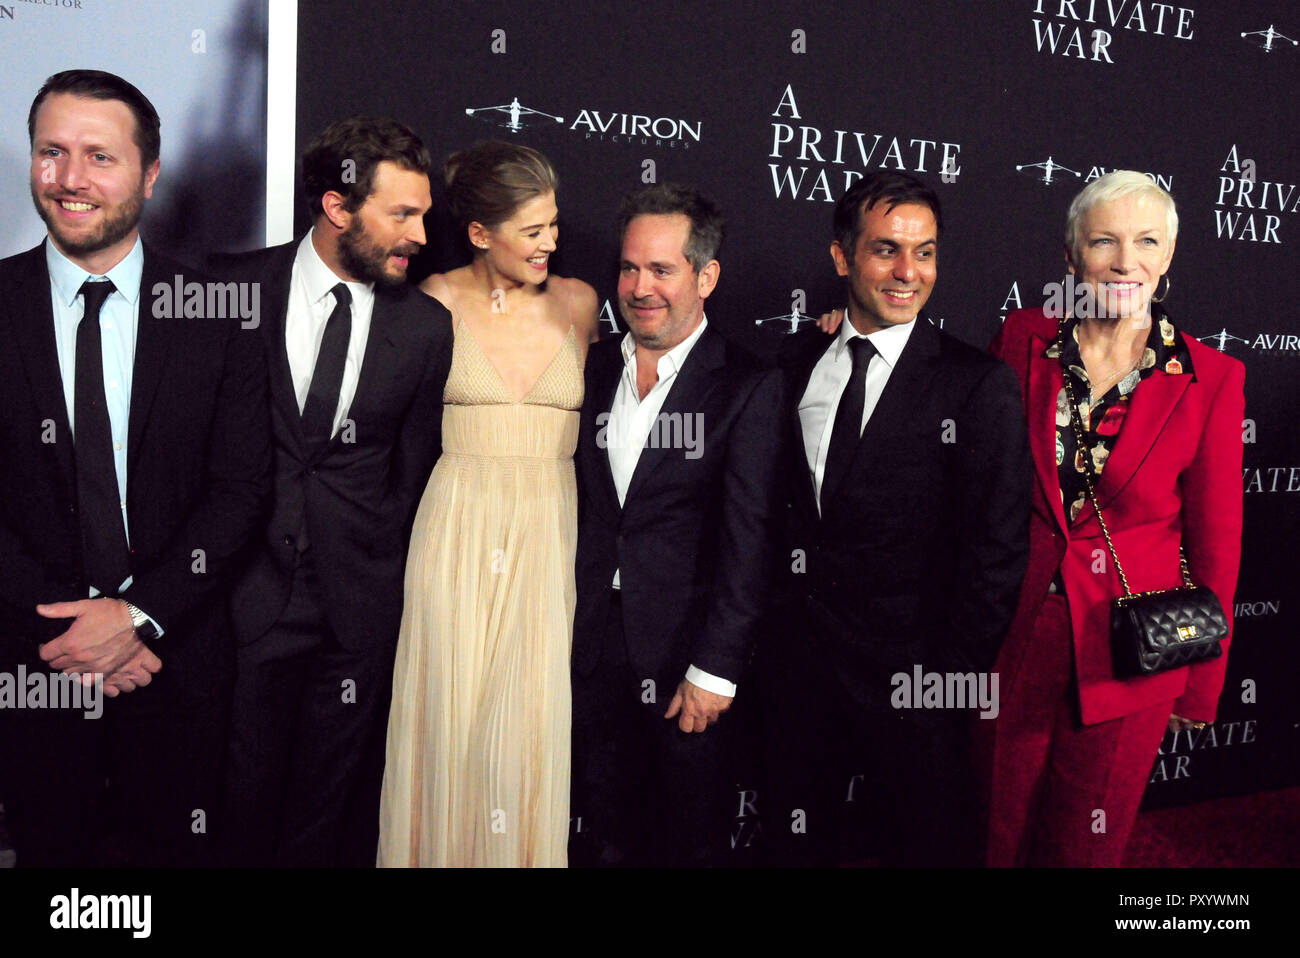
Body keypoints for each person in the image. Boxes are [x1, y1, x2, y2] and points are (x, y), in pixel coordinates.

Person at [0, 69, 270, 866]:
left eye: (99, 157)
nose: (70, 180)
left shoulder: (219, 314)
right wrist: (75, 629)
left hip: (175, 663)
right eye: (51, 153)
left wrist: (134, 617)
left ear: (151, 174)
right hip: (33, 665)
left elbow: (241, 491)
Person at [759, 171, 1031, 867]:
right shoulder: (794, 363)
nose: (909, 272)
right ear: (842, 256)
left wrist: (946, 686)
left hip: (914, 688)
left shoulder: (976, 384)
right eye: (886, 250)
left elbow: (996, 552)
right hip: (798, 678)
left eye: (926, 252)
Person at [979, 170, 1245, 867]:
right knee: (990, 827)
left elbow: (1216, 543)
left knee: (1083, 844)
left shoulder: (1210, 377)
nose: (1126, 260)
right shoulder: (1022, 337)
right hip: (1017, 630)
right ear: (1073, 259)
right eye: (1104, 241)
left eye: (1146, 241)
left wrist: (1203, 682)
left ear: (1168, 258)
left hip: (1134, 645)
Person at [216, 116, 453, 867]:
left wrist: (376, 578)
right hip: (238, 599)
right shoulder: (228, 290)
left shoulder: (426, 328)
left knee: (327, 815)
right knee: (232, 803)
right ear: (338, 206)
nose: (418, 233)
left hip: (355, 614)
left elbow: (411, 473)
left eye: (424, 214)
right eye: (402, 214)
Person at [378, 141, 599, 867]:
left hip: (545, 537)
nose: (552, 243)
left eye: (554, 226)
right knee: (448, 726)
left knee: (523, 736)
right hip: (456, 535)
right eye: (533, 231)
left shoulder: (578, 303)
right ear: (480, 233)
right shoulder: (433, 300)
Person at [569, 183, 783, 868]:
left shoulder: (747, 383)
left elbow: (750, 542)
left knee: (688, 844)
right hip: (588, 651)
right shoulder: (591, 365)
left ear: (706, 276)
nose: (640, 286)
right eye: (630, 268)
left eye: (662, 269)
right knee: (602, 838)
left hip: (684, 663)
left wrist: (715, 670)